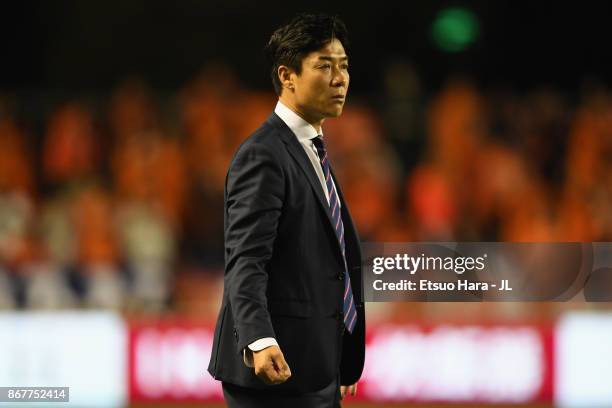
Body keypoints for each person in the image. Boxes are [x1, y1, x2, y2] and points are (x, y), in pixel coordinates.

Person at [207, 13, 365, 408]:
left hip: (314, 368)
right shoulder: (264, 154)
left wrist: (338, 356)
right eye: (324, 66)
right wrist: (259, 340)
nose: (340, 78)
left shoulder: (311, 149)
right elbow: (245, 259)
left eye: (344, 66)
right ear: (287, 75)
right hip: (276, 375)